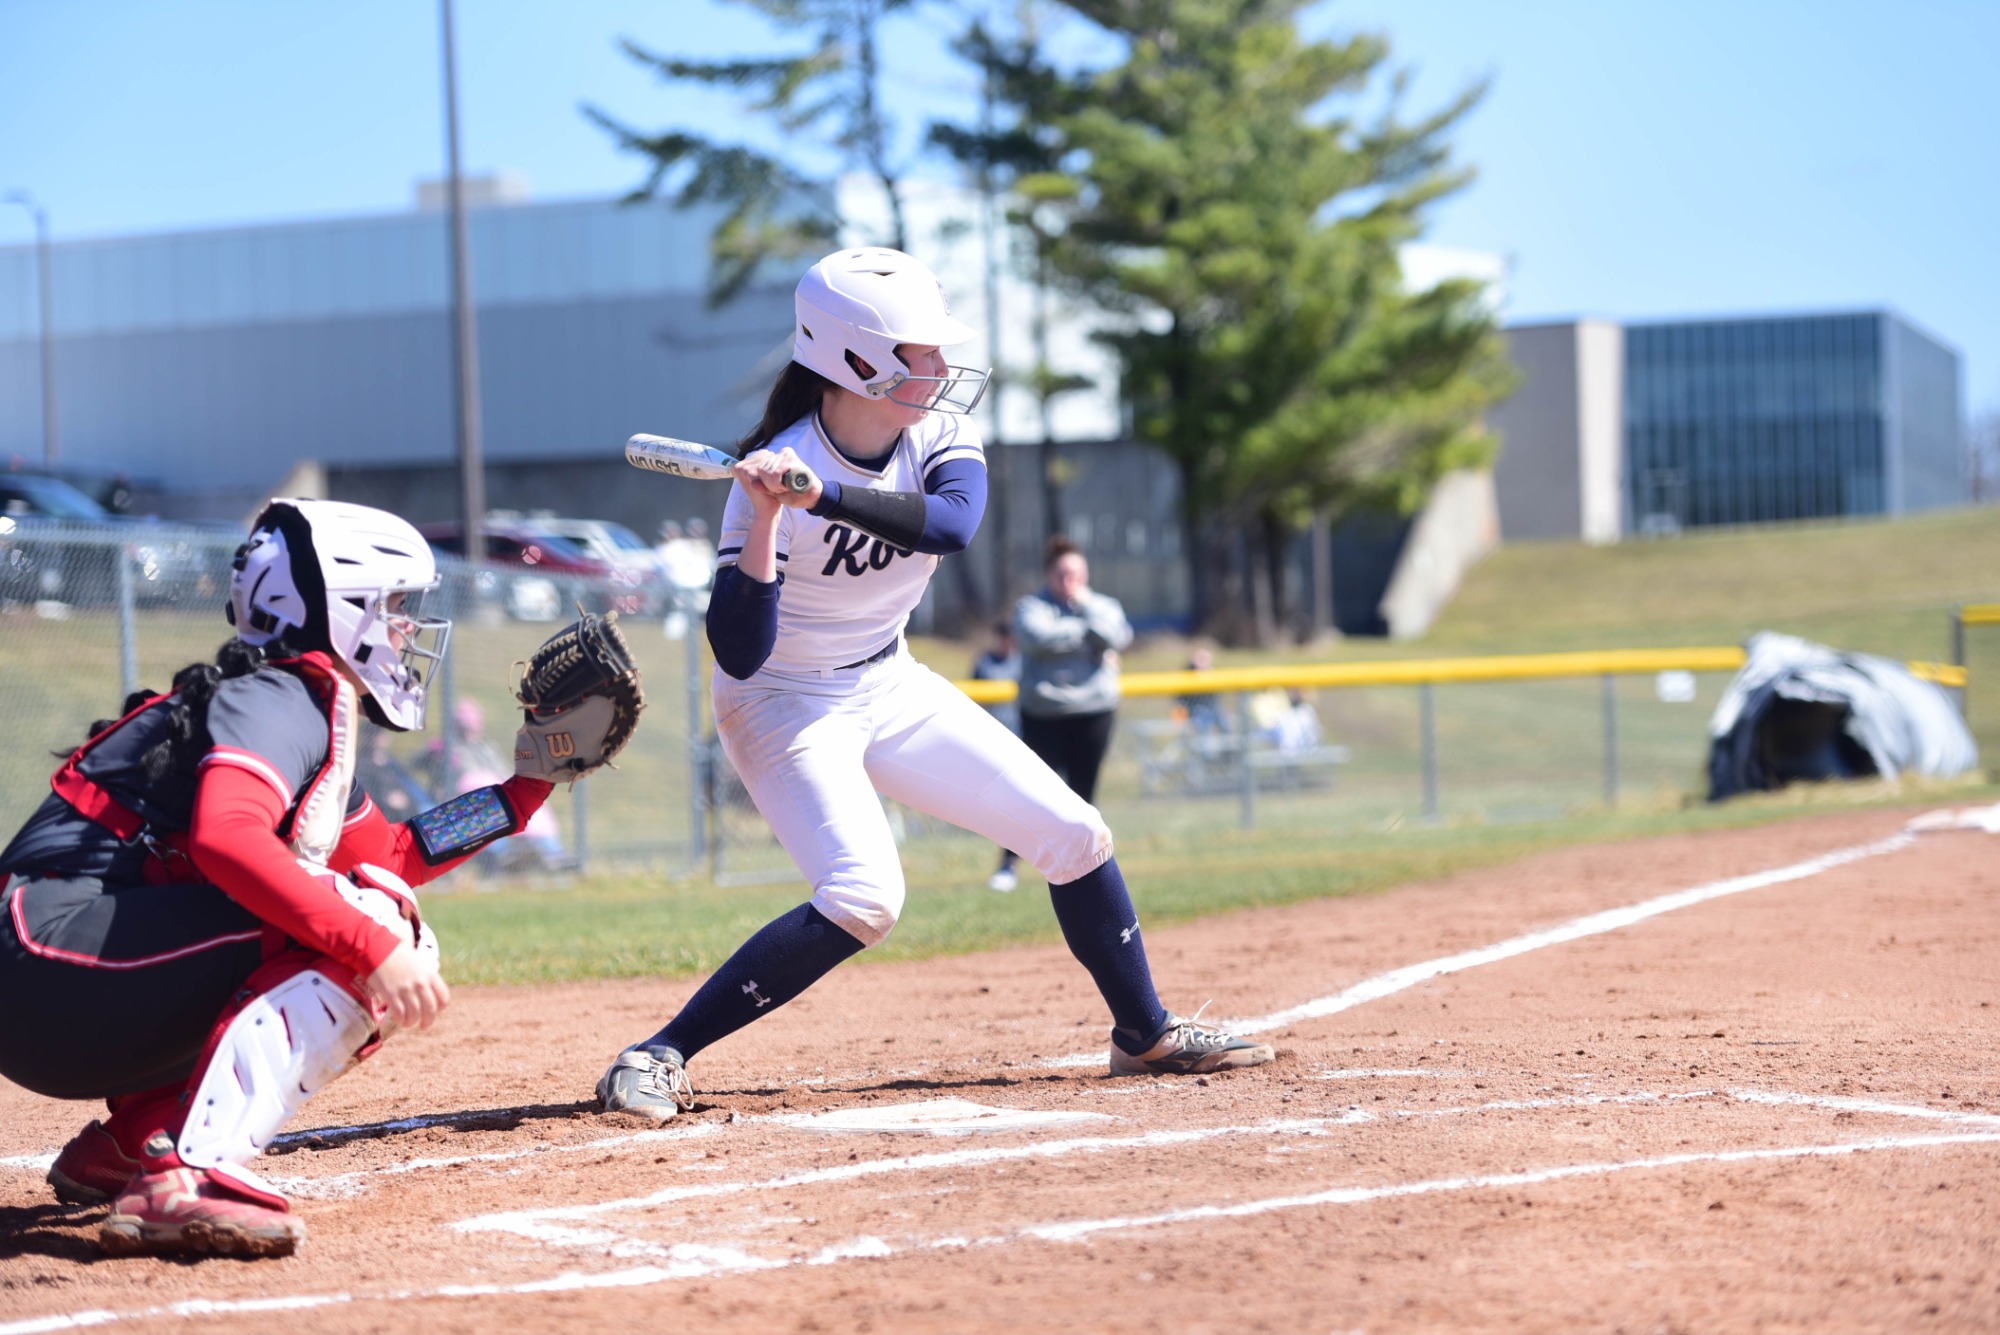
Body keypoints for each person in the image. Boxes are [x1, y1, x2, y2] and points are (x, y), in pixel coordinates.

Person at [595, 247, 1274, 1123]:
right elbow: (740, 653)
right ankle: (655, 1055)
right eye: (921, 352)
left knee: (1074, 831)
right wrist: (766, 516)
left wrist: (825, 496)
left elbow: (950, 525)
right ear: (854, 360)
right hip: (785, 706)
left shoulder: (939, 436)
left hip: (889, 680)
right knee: (864, 896)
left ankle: (1142, 1034)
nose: (943, 367)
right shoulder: (774, 470)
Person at [0, 499, 582, 1259]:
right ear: (343, 608)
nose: (406, 629)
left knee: (367, 905)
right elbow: (228, 836)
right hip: (45, 958)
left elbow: (392, 852)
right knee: (376, 925)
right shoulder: (283, 696)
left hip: (51, 979)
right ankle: (188, 1172)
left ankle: (140, 1140)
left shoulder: (288, 699)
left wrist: (522, 792)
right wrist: (373, 945)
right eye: (396, 607)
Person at [969, 621, 1023, 891]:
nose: (1007, 643)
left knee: (1018, 804)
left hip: (1021, 741)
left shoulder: (1023, 662)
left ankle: (1010, 863)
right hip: (991, 741)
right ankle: (1006, 863)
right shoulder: (985, 663)